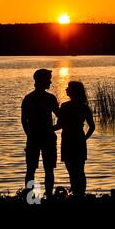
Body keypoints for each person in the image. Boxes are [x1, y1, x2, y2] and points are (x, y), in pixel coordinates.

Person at [22, 69, 59, 199]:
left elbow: (23, 121)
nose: (50, 81)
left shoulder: (28, 98)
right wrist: (52, 129)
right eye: (48, 79)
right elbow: (60, 117)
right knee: (47, 170)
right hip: (46, 138)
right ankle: (48, 196)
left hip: (34, 137)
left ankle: (32, 198)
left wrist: (30, 134)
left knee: (31, 169)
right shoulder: (50, 98)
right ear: (41, 80)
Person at [56, 81, 95, 197]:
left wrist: (45, 129)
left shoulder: (65, 106)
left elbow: (59, 125)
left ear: (74, 91)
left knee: (72, 170)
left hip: (68, 140)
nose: (66, 89)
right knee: (80, 170)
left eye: (68, 88)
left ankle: (77, 194)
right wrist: (84, 138)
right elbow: (92, 127)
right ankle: (80, 194)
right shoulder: (84, 107)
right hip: (79, 139)